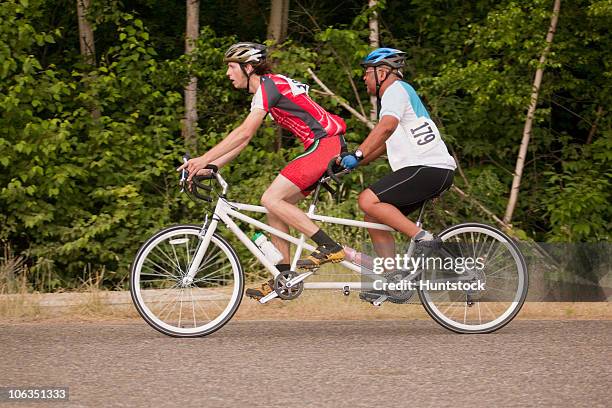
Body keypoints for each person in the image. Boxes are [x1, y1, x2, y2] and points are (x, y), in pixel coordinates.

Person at [178, 42, 347, 300]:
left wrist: (204, 158)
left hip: (325, 144)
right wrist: (212, 166)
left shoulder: (268, 86)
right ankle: (285, 278)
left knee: (270, 198)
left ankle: (329, 246)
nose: (228, 73)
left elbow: (244, 132)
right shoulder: (266, 90)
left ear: (248, 68)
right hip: (322, 146)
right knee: (275, 207)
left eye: (232, 67)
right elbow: (244, 141)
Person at [339, 48, 456, 259]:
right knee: (373, 218)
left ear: (382, 73)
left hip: (427, 167)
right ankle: (391, 279)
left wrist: (357, 154)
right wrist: (354, 162)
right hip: (432, 170)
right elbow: (384, 142)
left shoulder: (395, 90)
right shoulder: (401, 94)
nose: (364, 77)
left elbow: (386, 127)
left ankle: (424, 239)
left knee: (367, 200)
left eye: (367, 72)